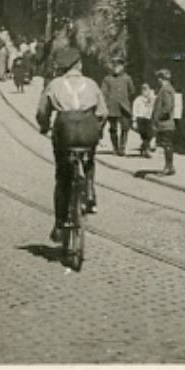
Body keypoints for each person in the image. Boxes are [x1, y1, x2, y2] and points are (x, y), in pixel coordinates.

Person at [35, 46, 106, 241]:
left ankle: (59, 223)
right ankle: (90, 188)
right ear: (79, 65)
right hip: (88, 132)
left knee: (62, 177)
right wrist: (98, 130)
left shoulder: (55, 84)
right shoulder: (91, 84)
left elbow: (42, 111)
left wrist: (44, 126)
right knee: (89, 158)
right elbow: (103, 112)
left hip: (65, 133)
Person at [100, 59, 135, 157]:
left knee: (125, 127)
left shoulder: (127, 78)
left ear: (123, 67)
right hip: (112, 107)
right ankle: (115, 148)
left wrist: (126, 102)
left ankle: (122, 148)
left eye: (119, 66)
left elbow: (132, 91)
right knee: (113, 128)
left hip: (124, 107)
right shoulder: (107, 79)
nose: (116, 68)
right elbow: (103, 93)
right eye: (114, 66)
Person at [151, 70, 178, 176]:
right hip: (166, 123)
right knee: (167, 145)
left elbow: (166, 107)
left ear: (160, 79)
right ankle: (170, 166)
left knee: (167, 145)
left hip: (165, 123)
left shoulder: (165, 90)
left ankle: (168, 167)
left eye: (159, 79)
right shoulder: (168, 89)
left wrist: (157, 118)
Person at [132, 78, 157, 158]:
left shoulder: (153, 99)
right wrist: (134, 121)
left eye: (146, 89)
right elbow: (134, 110)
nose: (145, 91)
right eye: (143, 90)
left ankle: (145, 148)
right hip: (141, 119)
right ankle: (145, 149)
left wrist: (151, 98)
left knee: (150, 134)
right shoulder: (138, 100)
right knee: (145, 135)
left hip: (149, 118)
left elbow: (155, 105)